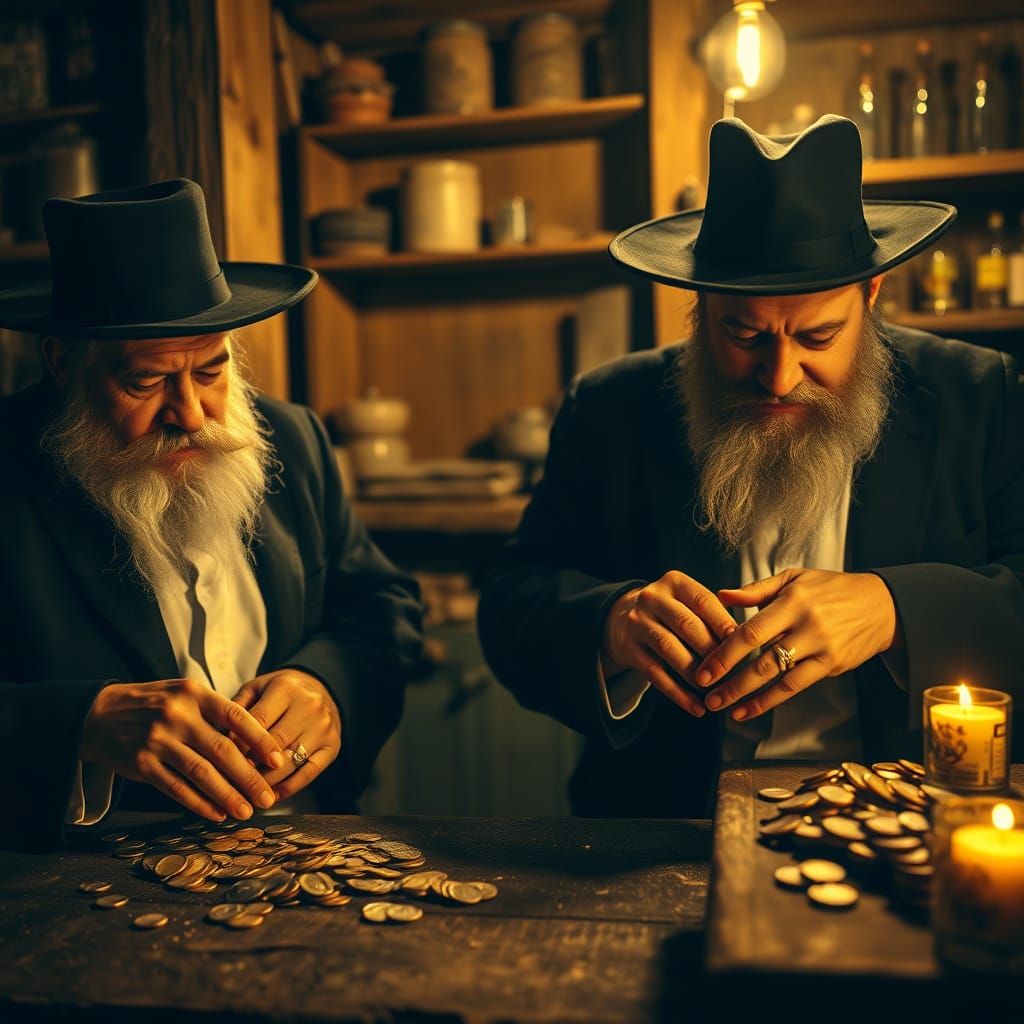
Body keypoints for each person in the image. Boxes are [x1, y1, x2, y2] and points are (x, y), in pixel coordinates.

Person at [478, 115, 1024, 818]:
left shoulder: (985, 398)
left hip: (910, 830)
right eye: (743, 333)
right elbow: (511, 602)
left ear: (873, 295)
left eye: (819, 336)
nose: (778, 376)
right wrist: (610, 624)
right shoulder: (609, 408)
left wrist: (895, 611)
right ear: (699, 306)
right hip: (663, 832)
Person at [0, 179, 422, 849]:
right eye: (147, 381)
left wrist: (327, 685)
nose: (190, 415)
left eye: (210, 371)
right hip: (81, 885)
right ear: (62, 364)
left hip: (306, 851)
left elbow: (382, 607)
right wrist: (81, 721)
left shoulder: (291, 437)